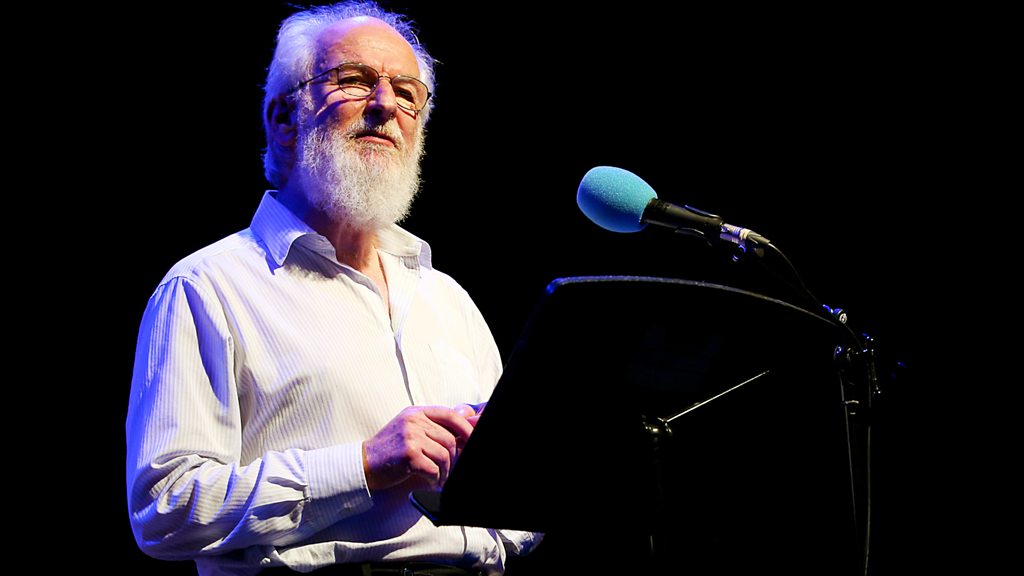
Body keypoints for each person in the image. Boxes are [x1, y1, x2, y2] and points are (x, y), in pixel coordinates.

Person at [125, 3, 540, 575]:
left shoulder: (447, 299)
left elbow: (522, 503)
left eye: (407, 92)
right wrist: (362, 466)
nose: (385, 104)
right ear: (284, 119)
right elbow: (163, 509)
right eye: (354, 81)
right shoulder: (207, 288)